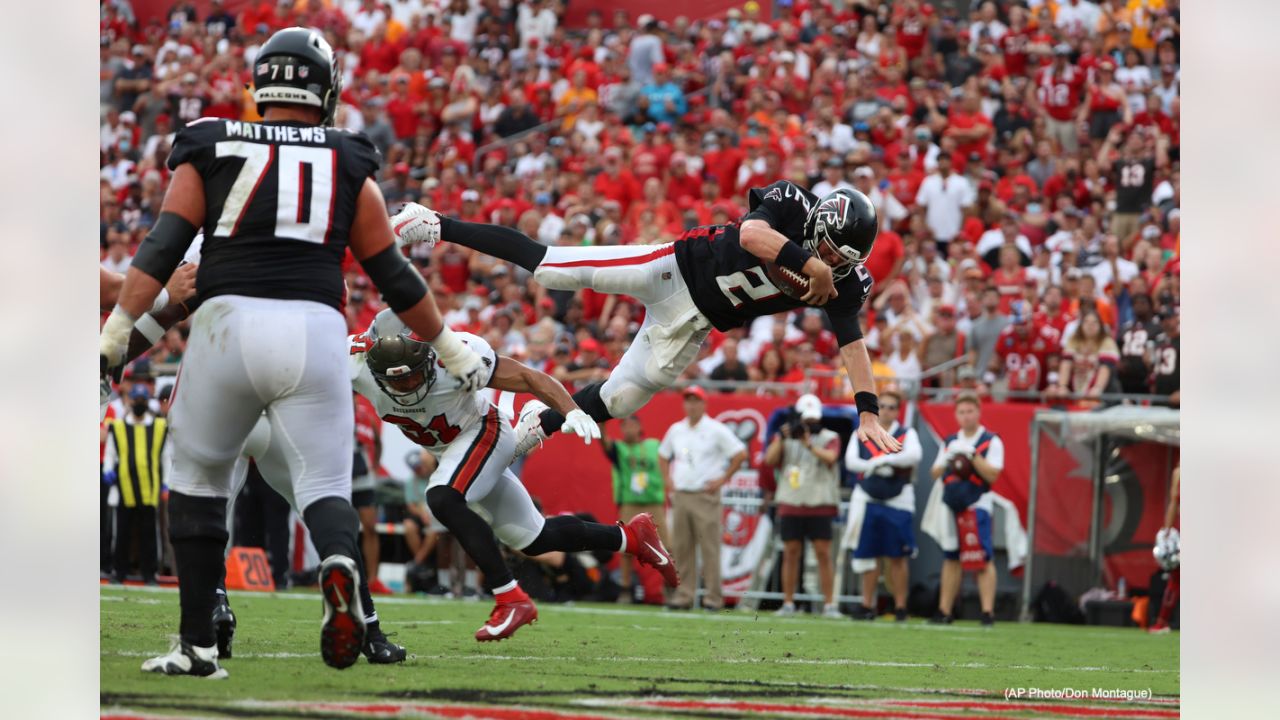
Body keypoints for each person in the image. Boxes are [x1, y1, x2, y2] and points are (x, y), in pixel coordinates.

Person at [98, 27, 486, 677]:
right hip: (315, 330)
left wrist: (113, 338)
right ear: (323, 91)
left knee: (196, 479)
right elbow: (393, 274)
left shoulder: (211, 140)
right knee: (326, 485)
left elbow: (162, 248)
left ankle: (197, 644)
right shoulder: (346, 156)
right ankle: (339, 569)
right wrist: (447, 345)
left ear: (262, 84)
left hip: (227, 324)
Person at [392, 182, 904, 459]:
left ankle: (539, 422)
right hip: (672, 268)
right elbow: (751, 235)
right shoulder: (793, 202)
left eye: (844, 261)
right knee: (552, 269)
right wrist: (808, 260)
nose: (834, 266)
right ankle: (435, 224)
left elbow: (852, 344)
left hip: (694, 323)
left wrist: (868, 411)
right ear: (821, 223)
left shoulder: (844, 281)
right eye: (832, 253)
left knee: (622, 398)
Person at [348, 308, 675, 640]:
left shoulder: (456, 354)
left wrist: (571, 410)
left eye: (414, 374)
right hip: (452, 454)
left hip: (482, 433)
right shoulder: (354, 363)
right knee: (536, 539)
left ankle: (509, 597)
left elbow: (528, 377)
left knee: (442, 497)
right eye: (395, 379)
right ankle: (633, 538)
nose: (407, 386)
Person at [659, 386, 748, 611]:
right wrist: (667, 481)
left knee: (710, 548)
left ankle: (713, 598)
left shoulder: (715, 429)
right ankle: (684, 595)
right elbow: (663, 455)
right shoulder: (676, 430)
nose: (691, 405)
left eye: (695, 401)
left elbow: (740, 453)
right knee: (681, 548)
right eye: (688, 401)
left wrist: (722, 479)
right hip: (681, 495)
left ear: (704, 404)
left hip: (705, 496)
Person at [927, 392, 1004, 626]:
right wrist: (951, 457)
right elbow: (935, 473)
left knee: (981, 557)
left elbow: (993, 474)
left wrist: (972, 455)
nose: (966, 416)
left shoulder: (991, 440)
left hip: (976, 505)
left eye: (970, 411)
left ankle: (987, 612)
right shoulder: (950, 441)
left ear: (978, 412)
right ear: (956, 415)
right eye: (961, 411)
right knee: (951, 557)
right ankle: (944, 610)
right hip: (952, 503)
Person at [843, 390, 922, 622]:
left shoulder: (907, 433)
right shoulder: (863, 432)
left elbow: (914, 456)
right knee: (869, 555)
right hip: (869, 497)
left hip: (897, 499)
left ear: (898, 410)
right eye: (883, 406)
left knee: (898, 556)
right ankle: (867, 605)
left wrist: (885, 460)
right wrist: (874, 466)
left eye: (891, 407)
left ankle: (900, 607)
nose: (886, 410)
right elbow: (851, 462)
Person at [764, 394, 843, 618]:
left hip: (820, 502)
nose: (809, 425)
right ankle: (788, 603)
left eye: (813, 421)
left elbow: (831, 457)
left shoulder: (829, 436)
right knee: (790, 553)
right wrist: (780, 437)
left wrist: (808, 444)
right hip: (791, 501)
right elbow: (769, 461)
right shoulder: (785, 438)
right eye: (805, 421)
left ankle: (829, 604)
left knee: (823, 554)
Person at [102, 384, 170, 585]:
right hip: (124, 487)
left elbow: (166, 457)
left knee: (149, 534)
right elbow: (111, 453)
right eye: (136, 400)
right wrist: (107, 470)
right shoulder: (119, 427)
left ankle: (150, 574)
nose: (139, 404)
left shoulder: (158, 427)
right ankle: (118, 572)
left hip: (149, 489)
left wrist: (166, 483)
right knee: (121, 533)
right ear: (130, 401)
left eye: (143, 401)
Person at [601, 416, 669, 602]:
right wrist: (602, 421)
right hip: (630, 504)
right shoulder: (620, 449)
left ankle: (669, 589)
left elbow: (667, 462)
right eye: (624, 426)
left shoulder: (655, 445)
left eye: (632, 424)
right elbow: (604, 442)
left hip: (653, 503)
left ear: (640, 426)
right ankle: (625, 588)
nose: (628, 429)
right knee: (627, 548)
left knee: (666, 546)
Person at [1150, 464, 1180, 634]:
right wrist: (1167, 531)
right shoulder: (1178, 472)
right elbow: (1174, 502)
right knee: (1176, 576)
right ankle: (1162, 622)